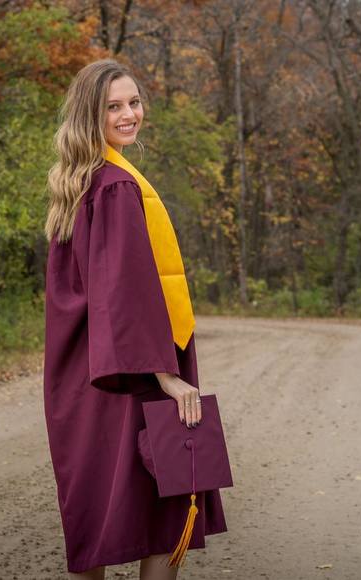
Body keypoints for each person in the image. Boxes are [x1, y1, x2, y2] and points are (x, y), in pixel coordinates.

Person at [42, 58, 227, 580]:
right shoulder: (117, 186)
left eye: (134, 102)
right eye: (113, 107)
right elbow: (123, 290)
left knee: (94, 510)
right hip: (133, 371)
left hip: (85, 370)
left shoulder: (80, 182)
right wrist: (166, 373)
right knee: (166, 505)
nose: (129, 115)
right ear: (90, 115)